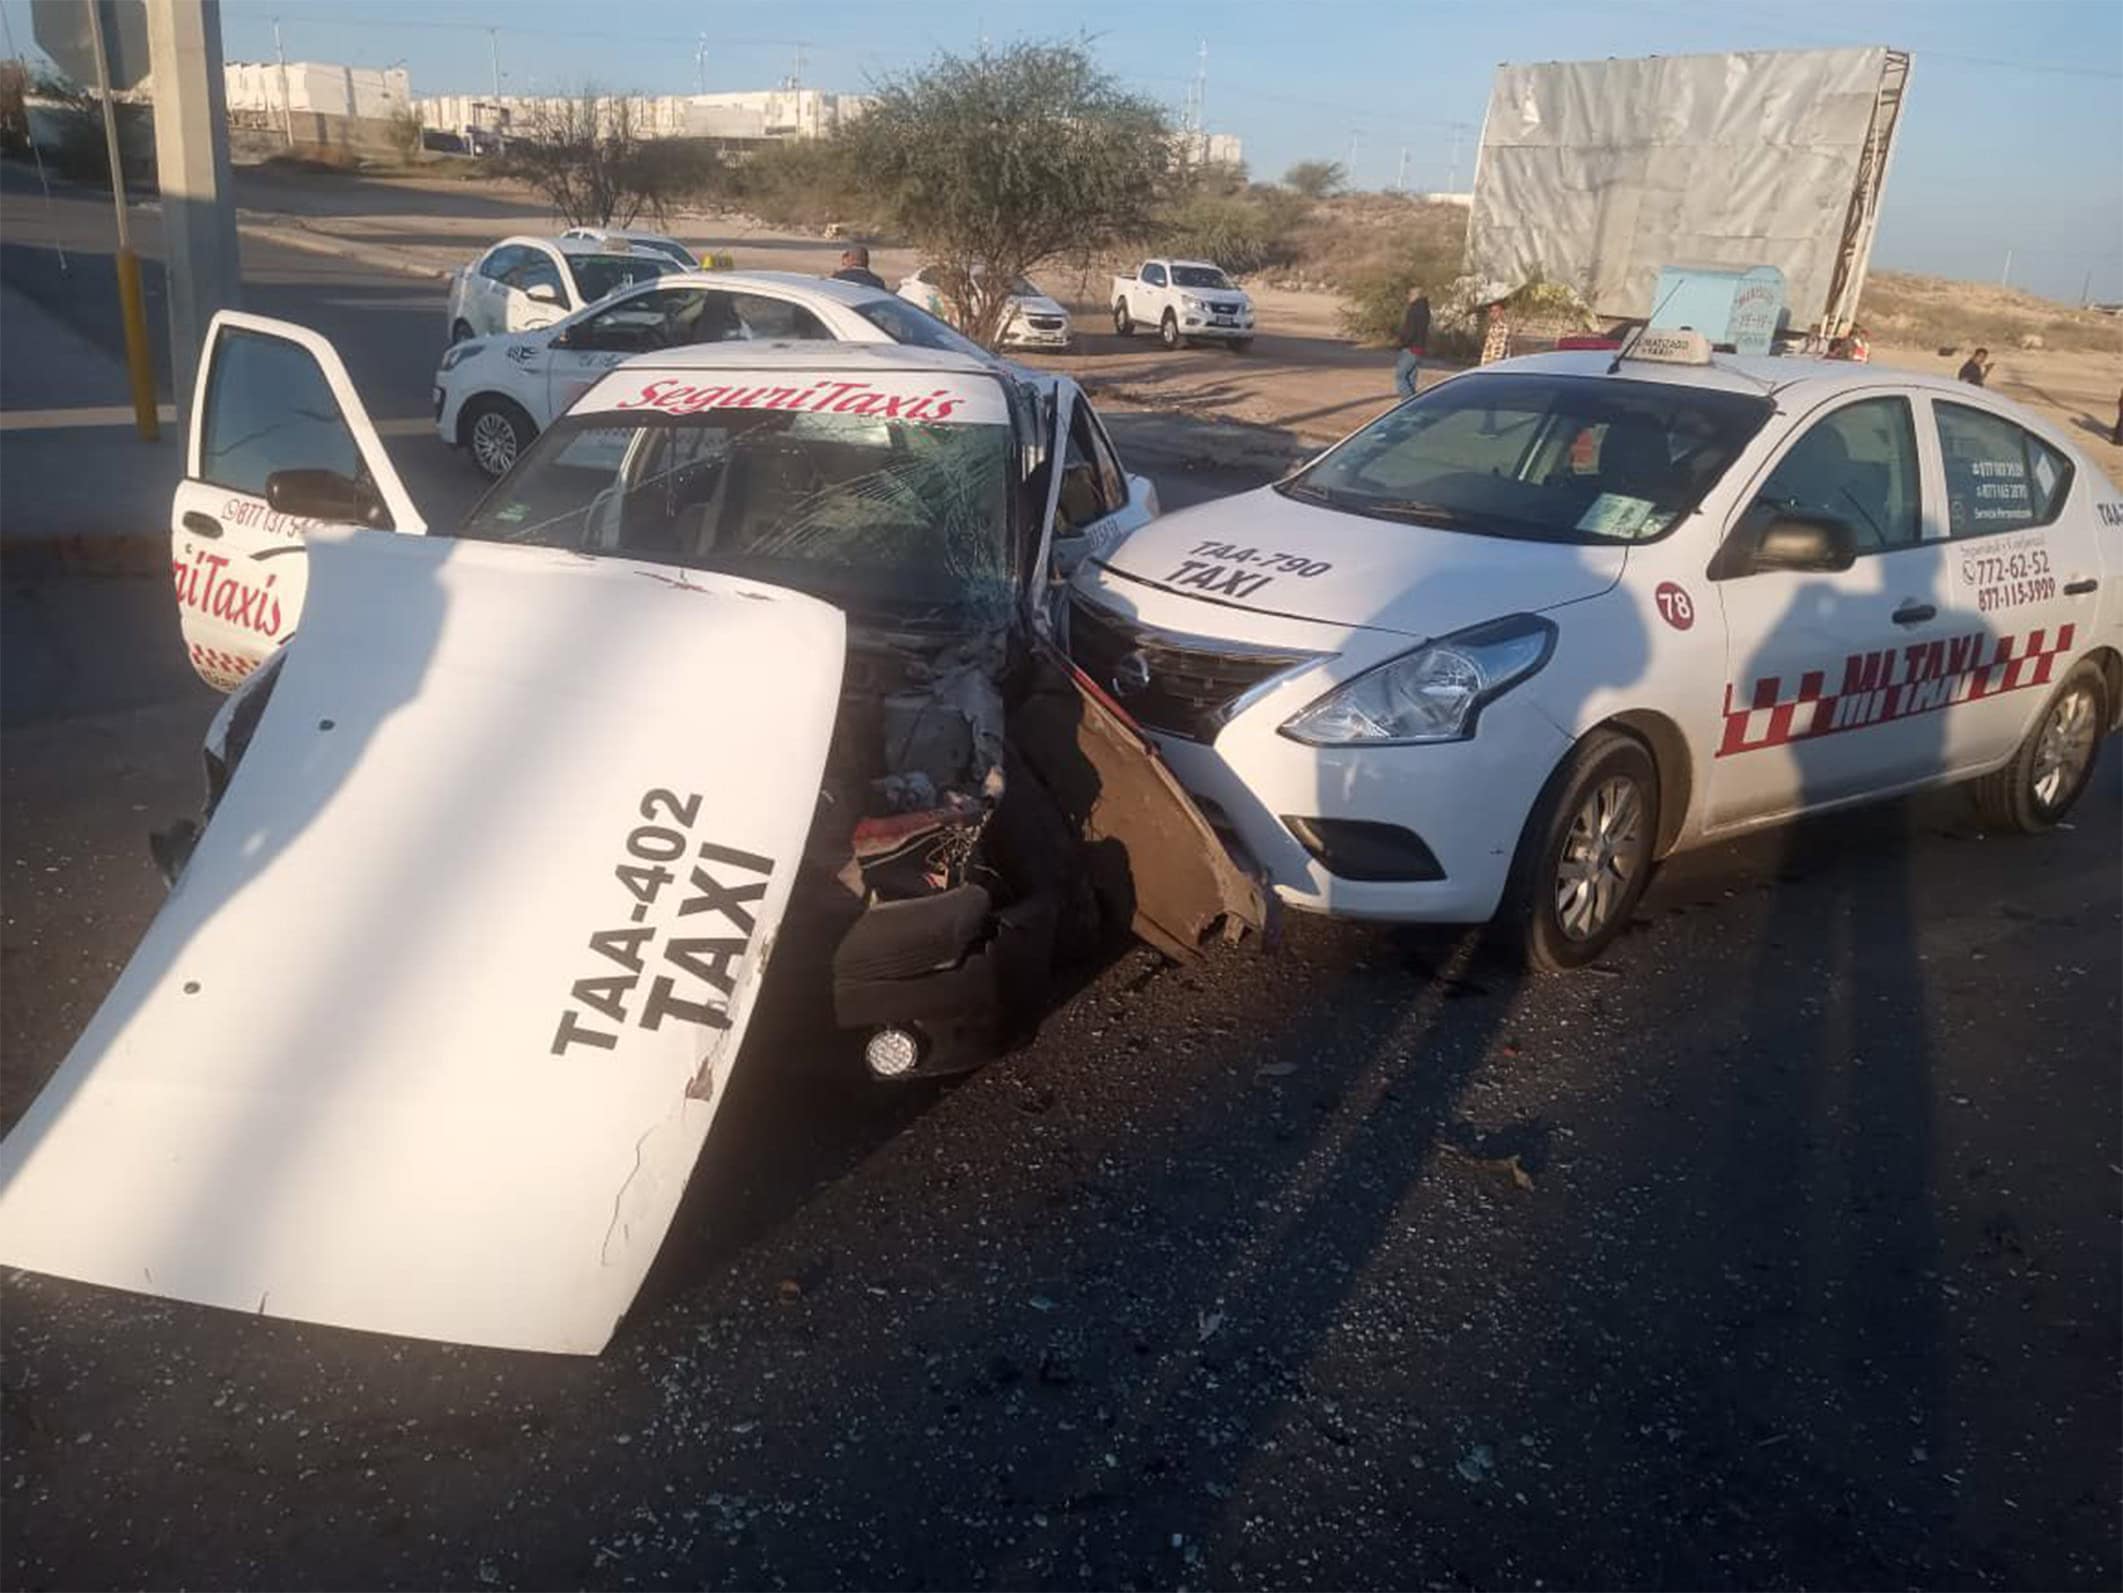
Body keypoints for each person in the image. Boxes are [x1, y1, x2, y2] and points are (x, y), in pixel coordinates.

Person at [1393, 287, 1432, 399]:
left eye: (1410, 294)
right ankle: (1412, 401)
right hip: (1420, 348)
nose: (1408, 297)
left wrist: (1402, 342)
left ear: (1416, 296)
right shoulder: (1425, 310)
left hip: (1410, 348)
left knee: (1401, 377)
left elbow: (1410, 331)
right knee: (1411, 378)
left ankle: (1408, 403)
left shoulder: (1413, 310)